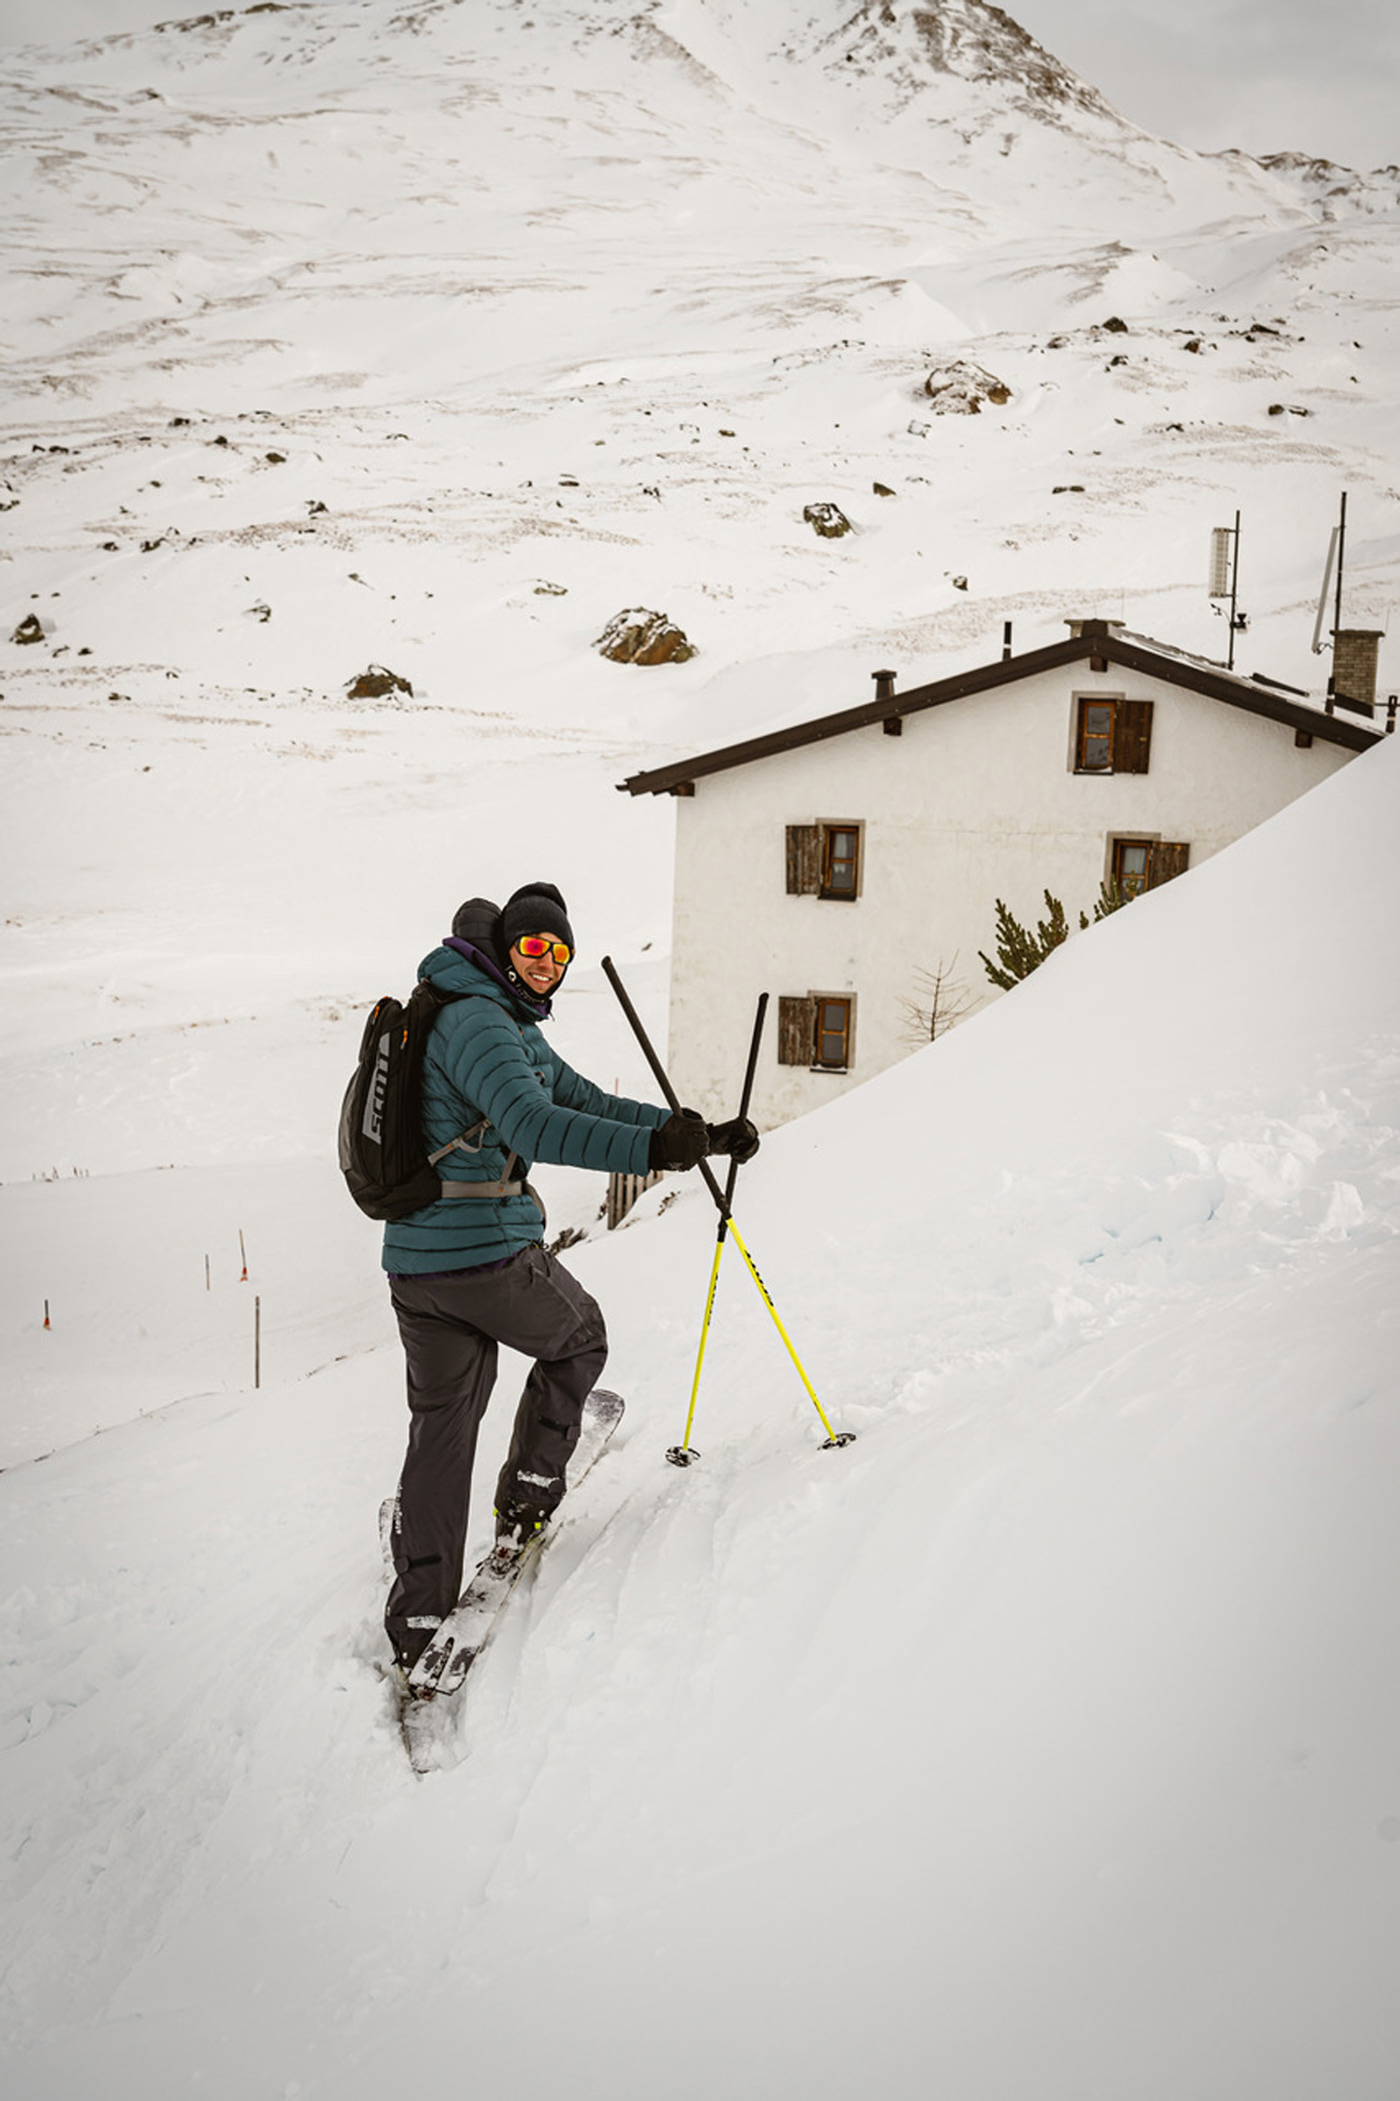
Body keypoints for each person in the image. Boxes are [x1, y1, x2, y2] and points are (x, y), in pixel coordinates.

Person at [382, 881, 758, 1677]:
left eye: (560, 951)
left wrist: (696, 1133)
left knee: (443, 1427)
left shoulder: (485, 1012)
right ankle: (527, 1493)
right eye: (533, 947)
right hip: (483, 1254)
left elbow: (582, 1098)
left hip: (419, 1264)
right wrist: (652, 1153)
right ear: (503, 947)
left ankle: (418, 1612)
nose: (547, 962)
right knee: (579, 1336)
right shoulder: (482, 1022)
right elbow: (536, 1125)